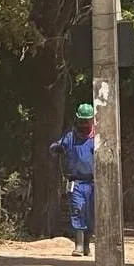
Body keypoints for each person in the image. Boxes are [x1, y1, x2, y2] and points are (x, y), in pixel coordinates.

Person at [50, 103, 96, 256]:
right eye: (81, 121)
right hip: (75, 182)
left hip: (92, 183)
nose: (84, 125)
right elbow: (56, 147)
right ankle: (79, 246)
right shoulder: (70, 137)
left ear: (92, 120)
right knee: (78, 210)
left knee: (90, 214)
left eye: (87, 121)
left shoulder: (97, 138)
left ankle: (87, 245)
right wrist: (56, 148)